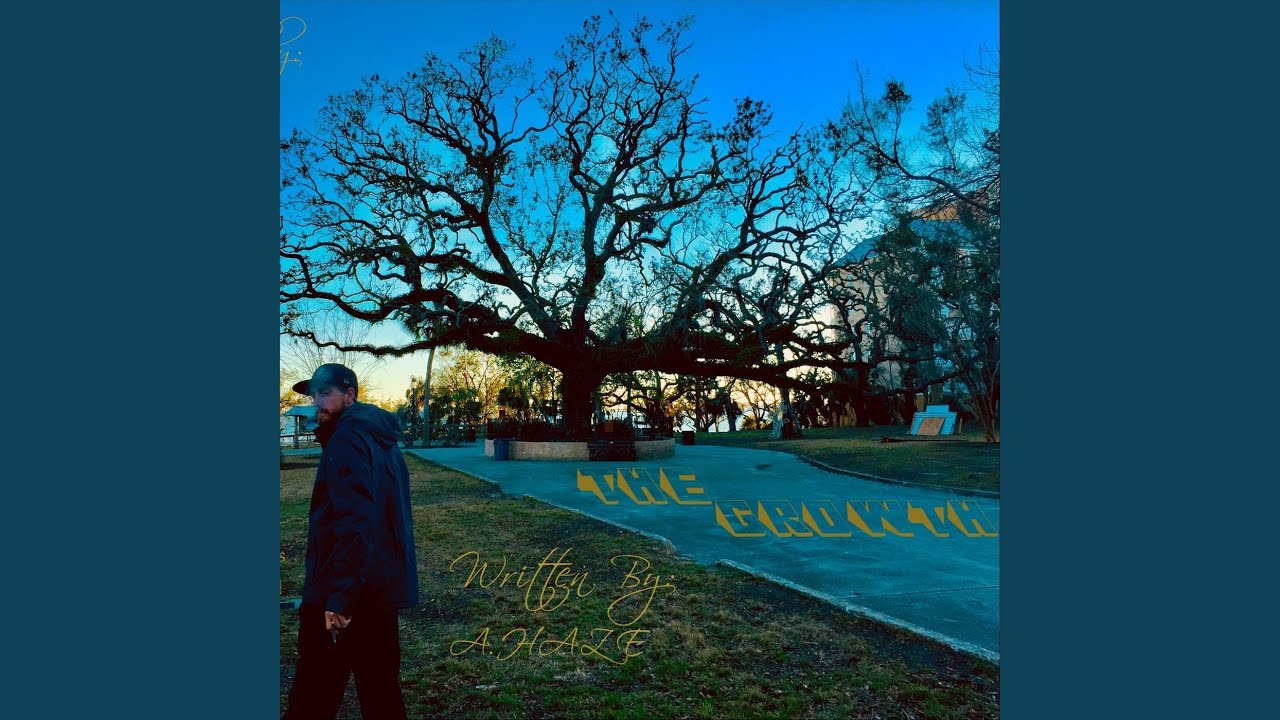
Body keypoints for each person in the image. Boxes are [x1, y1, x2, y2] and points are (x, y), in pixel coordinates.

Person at [283, 363, 419, 720]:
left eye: (325, 392)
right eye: (314, 394)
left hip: (341, 593)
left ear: (350, 395)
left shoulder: (347, 439)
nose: (317, 402)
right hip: (378, 590)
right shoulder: (381, 439)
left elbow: (354, 520)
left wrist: (340, 597)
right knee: (381, 692)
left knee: (312, 697)